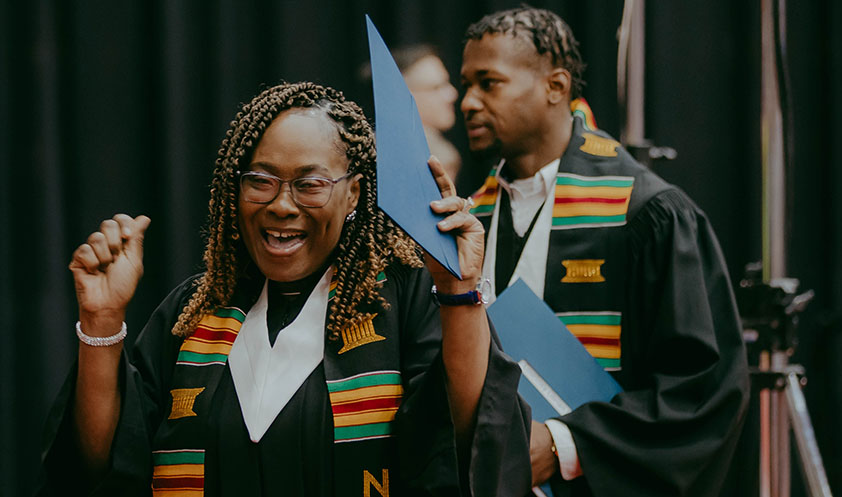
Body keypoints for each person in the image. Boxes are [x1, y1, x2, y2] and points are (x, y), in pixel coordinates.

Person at [37, 82, 531, 496]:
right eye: (261, 180)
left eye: (309, 184)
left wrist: (460, 292)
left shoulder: (402, 299)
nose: (281, 205)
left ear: (353, 191)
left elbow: (467, 443)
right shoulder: (194, 313)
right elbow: (101, 468)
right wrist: (101, 322)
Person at [458, 7, 749, 497]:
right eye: (466, 84)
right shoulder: (471, 218)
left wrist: (563, 444)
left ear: (555, 86)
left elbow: (701, 392)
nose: (468, 102)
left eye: (489, 83)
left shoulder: (645, 213)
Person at [394, 45, 463, 181]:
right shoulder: (406, 158)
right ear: (404, 96)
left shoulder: (441, 151)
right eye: (436, 87)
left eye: (447, 84)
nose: (452, 94)